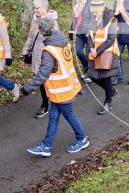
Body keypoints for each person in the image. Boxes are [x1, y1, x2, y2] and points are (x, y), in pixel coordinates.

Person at [20, 18, 89, 157]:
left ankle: (82, 139)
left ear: (41, 32)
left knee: (70, 116)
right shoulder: (64, 43)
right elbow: (70, 66)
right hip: (65, 89)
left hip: (61, 92)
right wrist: (77, 86)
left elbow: (42, 75)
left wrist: (25, 88)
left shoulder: (49, 51)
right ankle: (46, 145)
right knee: (53, 117)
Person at [22, 0, 60, 118]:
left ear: (44, 8)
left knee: (46, 80)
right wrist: (25, 51)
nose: (35, 10)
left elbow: (57, 40)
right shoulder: (35, 20)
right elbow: (30, 36)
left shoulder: (52, 22)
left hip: (47, 56)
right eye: (34, 7)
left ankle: (49, 104)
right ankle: (46, 103)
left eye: (37, 8)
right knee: (42, 81)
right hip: (36, 55)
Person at [87, 0, 121, 115]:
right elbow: (89, 36)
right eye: (94, 12)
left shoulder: (112, 20)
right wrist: (91, 49)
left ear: (102, 9)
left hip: (108, 54)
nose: (95, 14)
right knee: (91, 75)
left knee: (106, 77)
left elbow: (111, 39)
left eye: (97, 12)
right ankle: (111, 90)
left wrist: (97, 50)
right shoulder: (93, 19)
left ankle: (108, 102)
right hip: (95, 53)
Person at [68, 0, 93, 84]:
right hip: (79, 33)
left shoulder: (90, 3)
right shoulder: (77, 6)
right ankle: (87, 68)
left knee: (88, 54)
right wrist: (71, 31)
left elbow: (93, 19)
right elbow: (75, 19)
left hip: (89, 33)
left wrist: (89, 31)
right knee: (78, 52)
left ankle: (89, 73)